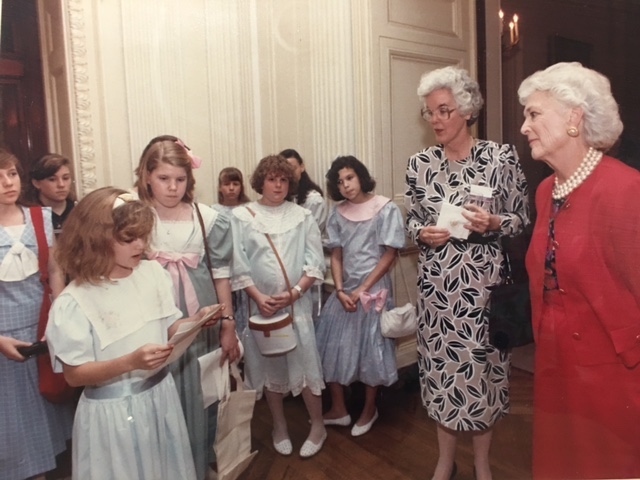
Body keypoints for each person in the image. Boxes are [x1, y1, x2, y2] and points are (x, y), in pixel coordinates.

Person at [404, 66, 530, 480]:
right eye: (430, 113)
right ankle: (445, 459)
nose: (437, 120)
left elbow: (521, 217)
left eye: (445, 110)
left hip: (483, 293)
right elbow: (411, 224)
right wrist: (421, 232)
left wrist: (494, 223)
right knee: (442, 376)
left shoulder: (499, 157)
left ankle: (481, 462)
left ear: (467, 110)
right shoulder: (419, 165)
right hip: (438, 294)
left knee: (483, 378)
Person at [46, 187, 221, 479]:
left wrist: (196, 321)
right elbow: (74, 374)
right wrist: (130, 362)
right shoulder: (74, 301)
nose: (140, 245)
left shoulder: (152, 275)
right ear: (96, 241)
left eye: (143, 235)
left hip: (160, 397)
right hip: (112, 414)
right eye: (129, 239)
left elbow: (168, 329)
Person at [518, 62, 640, 479]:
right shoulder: (545, 191)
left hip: (615, 380)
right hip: (555, 370)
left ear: (574, 117)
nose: (524, 126)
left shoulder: (626, 191)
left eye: (534, 114)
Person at [135, 135, 240, 480]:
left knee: (200, 396)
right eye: (164, 178)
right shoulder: (136, 218)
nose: (172, 187)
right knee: (158, 398)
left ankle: (196, 466)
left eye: (180, 179)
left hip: (200, 323)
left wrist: (228, 324)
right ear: (147, 176)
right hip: (153, 318)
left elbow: (221, 276)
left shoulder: (208, 218)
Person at [230, 154, 326, 458]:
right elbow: (238, 265)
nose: (278, 185)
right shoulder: (243, 216)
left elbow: (315, 263)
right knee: (270, 368)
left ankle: (318, 426)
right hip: (262, 310)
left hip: (296, 308)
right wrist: (259, 298)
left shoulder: (302, 216)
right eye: (272, 179)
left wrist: (295, 293)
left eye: (284, 179)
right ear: (261, 181)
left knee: (307, 364)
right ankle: (279, 426)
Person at [315, 155, 405, 436]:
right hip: (345, 294)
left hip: (371, 293)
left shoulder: (384, 208)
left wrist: (363, 289)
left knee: (371, 354)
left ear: (361, 176)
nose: (345, 185)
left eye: (349, 178)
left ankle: (369, 409)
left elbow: (389, 254)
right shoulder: (337, 212)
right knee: (331, 348)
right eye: (340, 182)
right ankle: (340, 409)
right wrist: (340, 290)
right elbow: (337, 255)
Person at [0, 148, 73, 480]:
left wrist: (57, 314)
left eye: (11, 174)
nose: (6, 183)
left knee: (44, 416)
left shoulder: (39, 217)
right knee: (13, 427)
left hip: (40, 327)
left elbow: (56, 270)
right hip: (4, 336)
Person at [212, 166, 251, 336]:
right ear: (220, 187)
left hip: (245, 264)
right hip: (224, 266)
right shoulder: (214, 211)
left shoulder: (249, 209)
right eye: (227, 184)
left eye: (236, 184)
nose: (231, 188)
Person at [27, 153, 76, 236]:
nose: (61, 184)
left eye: (65, 178)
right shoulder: (28, 215)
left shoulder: (80, 211)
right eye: (52, 179)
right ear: (36, 183)